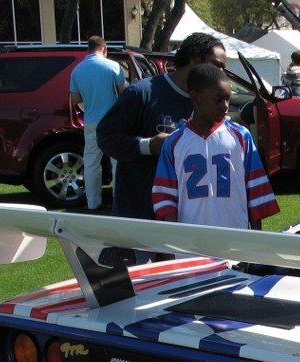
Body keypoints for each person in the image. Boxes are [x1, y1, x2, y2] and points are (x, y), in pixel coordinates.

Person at [97, 32, 227, 221]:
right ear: (193, 59)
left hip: (191, 220)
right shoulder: (142, 93)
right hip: (142, 217)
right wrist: (148, 146)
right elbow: (104, 136)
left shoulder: (210, 103)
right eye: (216, 65)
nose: (220, 74)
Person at [152, 63, 279, 231]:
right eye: (218, 99)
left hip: (234, 241)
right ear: (195, 97)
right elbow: (166, 198)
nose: (225, 106)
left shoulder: (241, 137)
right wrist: (173, 244)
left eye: (228, 99)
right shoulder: (174, 142)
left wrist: (253, 245)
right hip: (190, 245)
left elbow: (256, 194)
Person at [69, 35, 127, 211]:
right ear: (104, 49)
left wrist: (87, 107)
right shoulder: (113, 67)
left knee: (91, 162)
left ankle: (93, 202)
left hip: (91, 121)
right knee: (117, 161)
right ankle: (119, 200)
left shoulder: (77, 70)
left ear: (88, 49)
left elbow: (75, 98)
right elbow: (124, 93)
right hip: (113, 121)